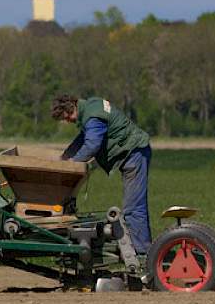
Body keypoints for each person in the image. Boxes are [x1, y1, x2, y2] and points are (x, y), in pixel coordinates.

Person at [51, 94, 152, 256]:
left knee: (133, 207)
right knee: (134, 205)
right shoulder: (91, 106)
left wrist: (72, 163)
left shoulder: (92, 117)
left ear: (72, 108)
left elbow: (91, 145)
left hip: (134, 153)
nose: (68, 121)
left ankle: (142, 253)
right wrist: (64, 157)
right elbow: (83, 138)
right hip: (134, 152)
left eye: (67, 117)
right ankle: (142, 247)